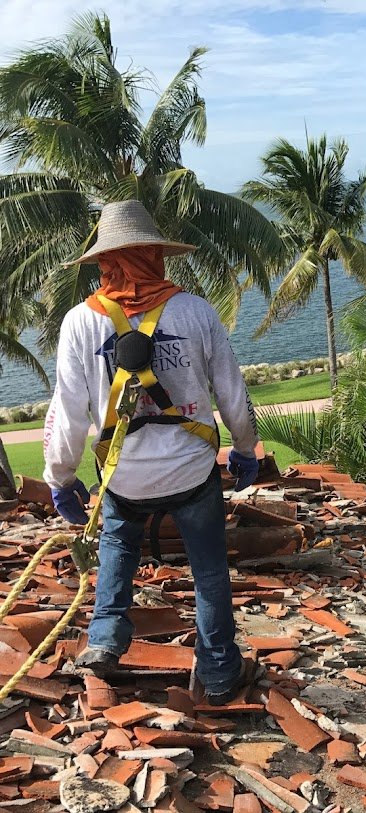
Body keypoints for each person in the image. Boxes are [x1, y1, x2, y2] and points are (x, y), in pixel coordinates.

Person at [43, 200, 259, 705]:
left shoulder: (79, 322)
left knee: (118, 541)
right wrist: (245, 448)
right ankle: (223, 672)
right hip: (190, 470)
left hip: (124, 474)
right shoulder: (195, 311)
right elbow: (231, 392)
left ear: (103, 261)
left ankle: (105, 637)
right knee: (207, 570)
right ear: (157, 256)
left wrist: (61, 479)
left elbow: (68, 412)